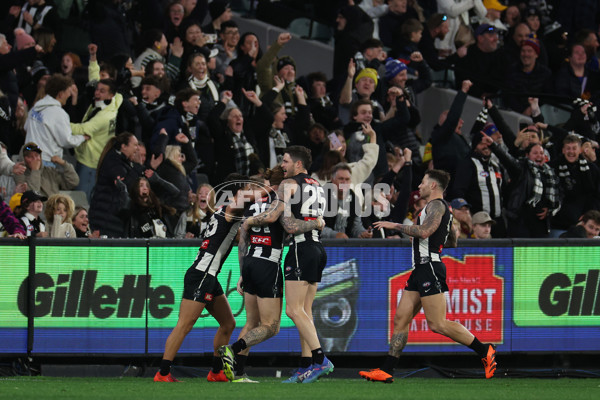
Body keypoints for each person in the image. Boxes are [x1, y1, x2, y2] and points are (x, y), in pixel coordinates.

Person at [359, 169, 497, 383]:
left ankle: (484, 350)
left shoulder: (436, 205)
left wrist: (394, 225)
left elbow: (424, 232)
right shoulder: (442, 208)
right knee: (401, 319)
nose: (420, 186)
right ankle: (387, 370)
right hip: (420, 269)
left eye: (423, 182)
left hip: (429, 267)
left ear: (433, 185)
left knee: (437, 324)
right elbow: (453, 241)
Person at [236, 146, 333, 384]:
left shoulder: (289, 184)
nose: (282, 165)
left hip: (301, 249)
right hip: (318, 249)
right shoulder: (317, 185)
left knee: (293, 310)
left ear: (298, 164)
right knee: (304, 312)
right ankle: (306, 365)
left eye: (286, 161)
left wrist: (247, 222)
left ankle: (320, 359)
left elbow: (276, 219)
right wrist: (316, 223)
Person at [153, 174, 258, 383]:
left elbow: (236, 238)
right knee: (185, 324)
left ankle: (215, 371)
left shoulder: (227, 213)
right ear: (237, 192)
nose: (250, 193)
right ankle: (162, 373)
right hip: (201, 274)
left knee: (228, 323)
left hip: (209, 276)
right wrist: (273, 188)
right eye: (246, 189)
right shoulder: (230, 209)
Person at [217, 167, 289, 382]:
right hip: (268, 263)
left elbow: (243, 241)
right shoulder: (281, 202)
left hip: (249, 262)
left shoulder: (252, 204)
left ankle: (238, 373)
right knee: (271, 327)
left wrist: (242, 273)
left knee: (251, 323)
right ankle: (232, 348)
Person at [24, 74, 88, 164]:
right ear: (60, 94)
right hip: (46, 161)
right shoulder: (59, 114)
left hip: (28, 158)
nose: (69, 95)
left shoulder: (35, 108)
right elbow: (66, 141)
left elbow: (26, 127)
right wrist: (82, 137)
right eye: (68, 92)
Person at [13, 142, 78, 198]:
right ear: (23, 159)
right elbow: (32, 194)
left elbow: (72, 182)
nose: (35, 159)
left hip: (54, 208)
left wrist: (64, 164)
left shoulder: (50, 171)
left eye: (37, 155)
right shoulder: (20, 173)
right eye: (30, 156)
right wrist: (35, 170)